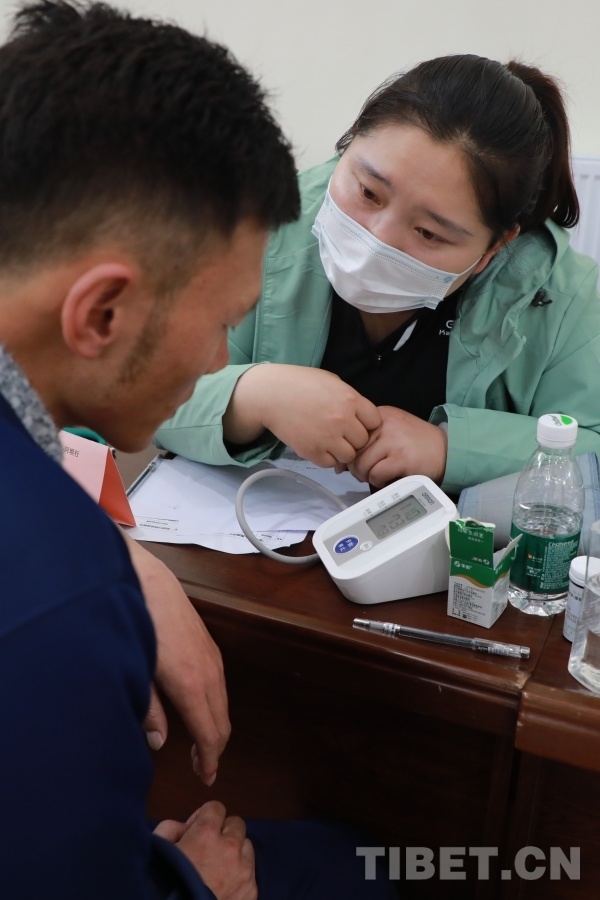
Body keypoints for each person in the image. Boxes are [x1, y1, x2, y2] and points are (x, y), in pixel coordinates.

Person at [0, 3, 397, 898]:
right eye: (222, 322)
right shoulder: (61, 603)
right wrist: (193, 886)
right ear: (103, 312)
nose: (221, 360)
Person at [155, 54, 600, 497]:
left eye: (428, 233)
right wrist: (254, 396)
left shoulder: (564, 298)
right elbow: (145, 379)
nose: (377, 240)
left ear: (494, 247)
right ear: (349, 142)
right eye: (369, 192)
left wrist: (450, 448)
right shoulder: (260, 225)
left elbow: (591, 449)